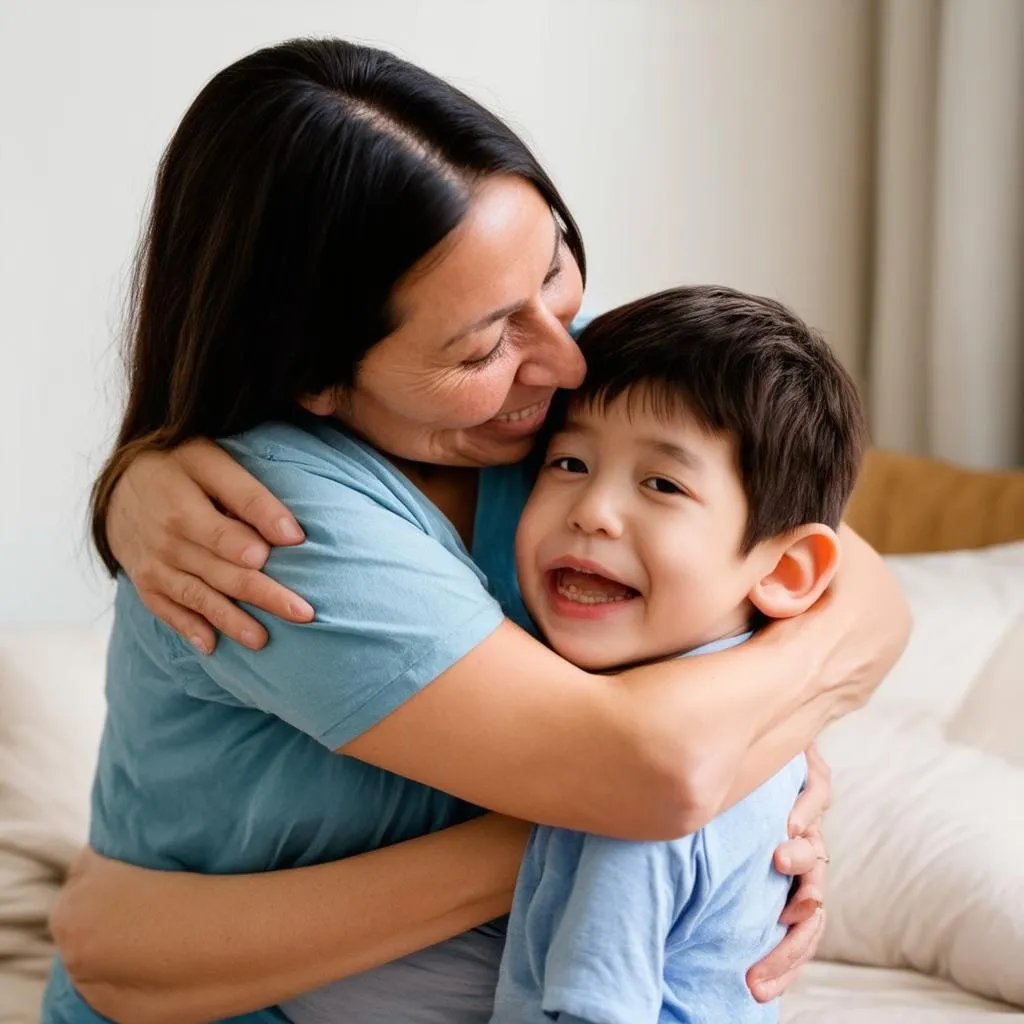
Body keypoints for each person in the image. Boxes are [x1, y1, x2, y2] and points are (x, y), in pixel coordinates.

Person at [44, 37, 909, 1024]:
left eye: (555, 269)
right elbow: (658, 773)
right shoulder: (264, 523)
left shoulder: (552, 416)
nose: (568, 359)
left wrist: (745, 797)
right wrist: (685, 813)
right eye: (489, 339)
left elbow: (856, 584)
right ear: (313, 375)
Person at [486, 285, 865, 1024]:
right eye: (568, 464)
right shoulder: (753, 732)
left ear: (785, 572)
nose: (592, 511)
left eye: (662, 483)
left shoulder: (638, 788)